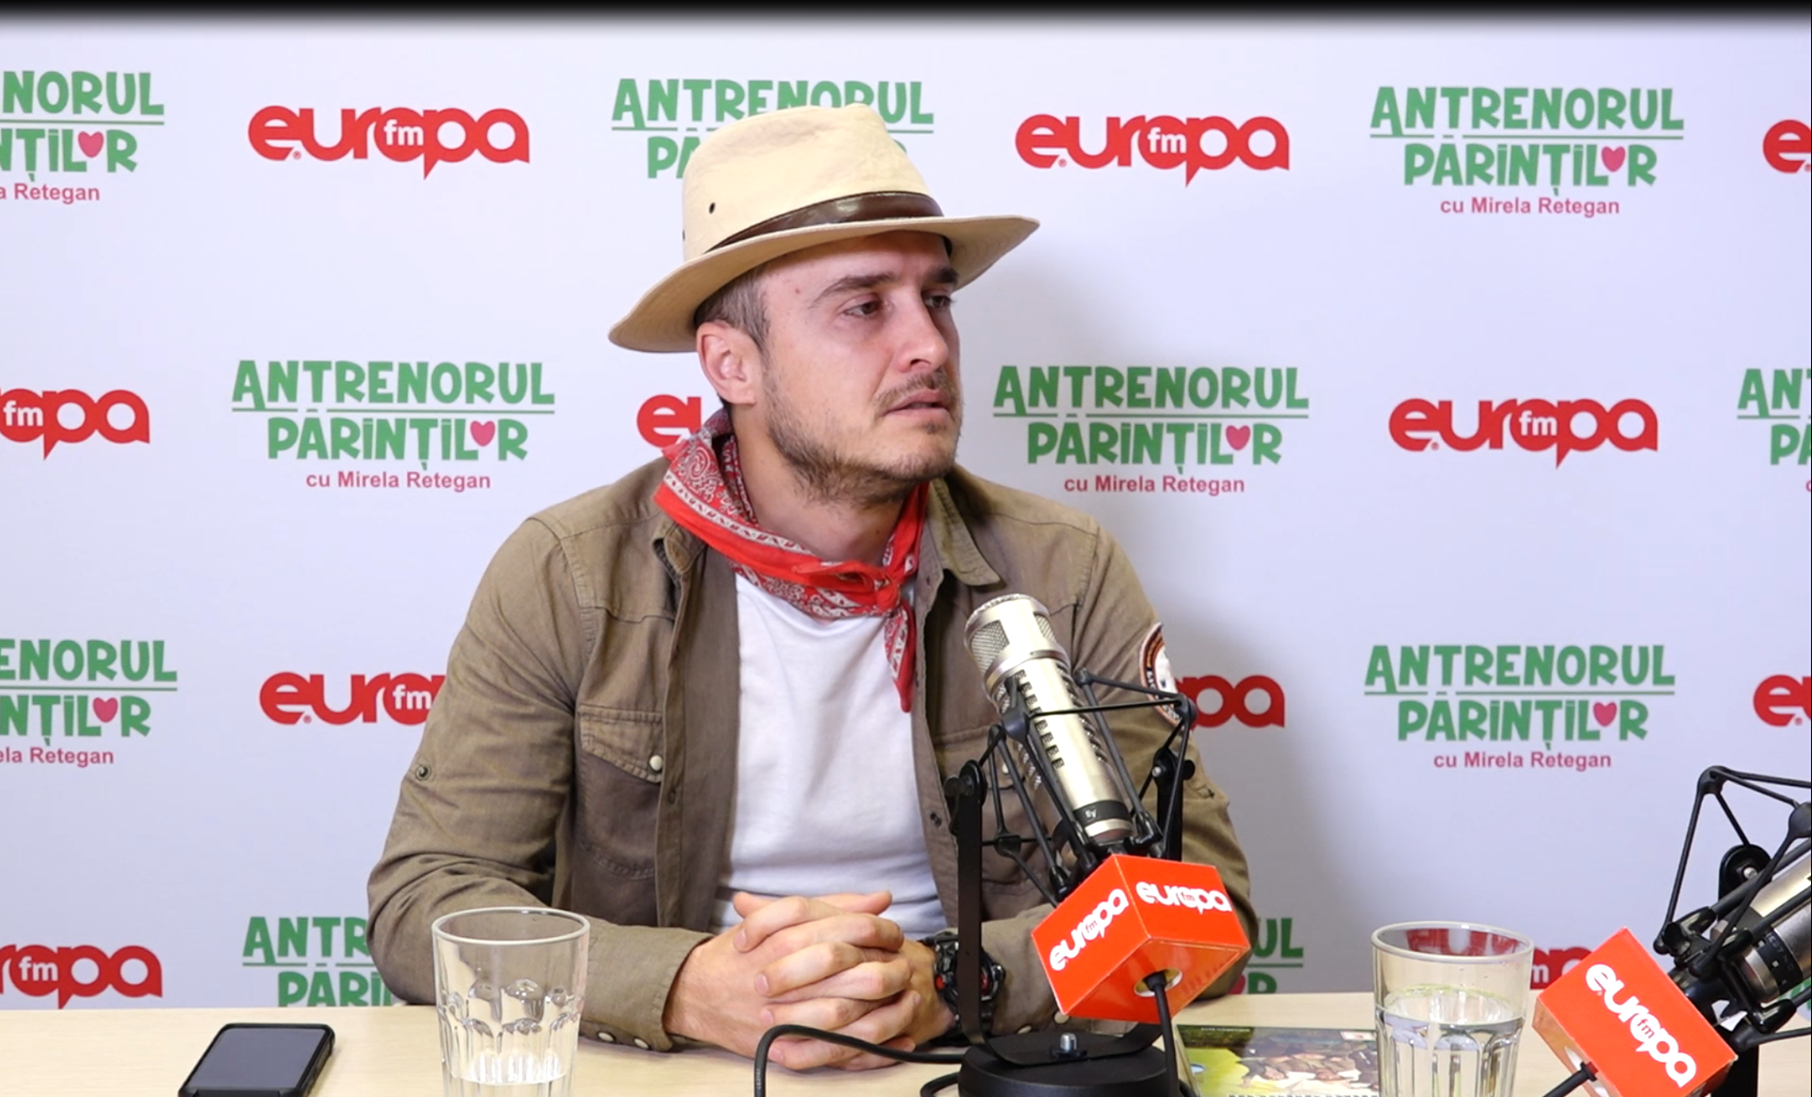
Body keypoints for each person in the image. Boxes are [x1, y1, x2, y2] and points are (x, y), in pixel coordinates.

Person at [367, 104, 1254, 1072]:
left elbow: (1202, 901)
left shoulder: (1062, 566)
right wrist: (681, 985)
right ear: (731, 364)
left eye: (937, 300)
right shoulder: (569, 570)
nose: (928, 345)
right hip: (682, 1065)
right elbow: (426, 899)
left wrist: (955, 979)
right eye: (863, 306)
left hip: (969, 1060)